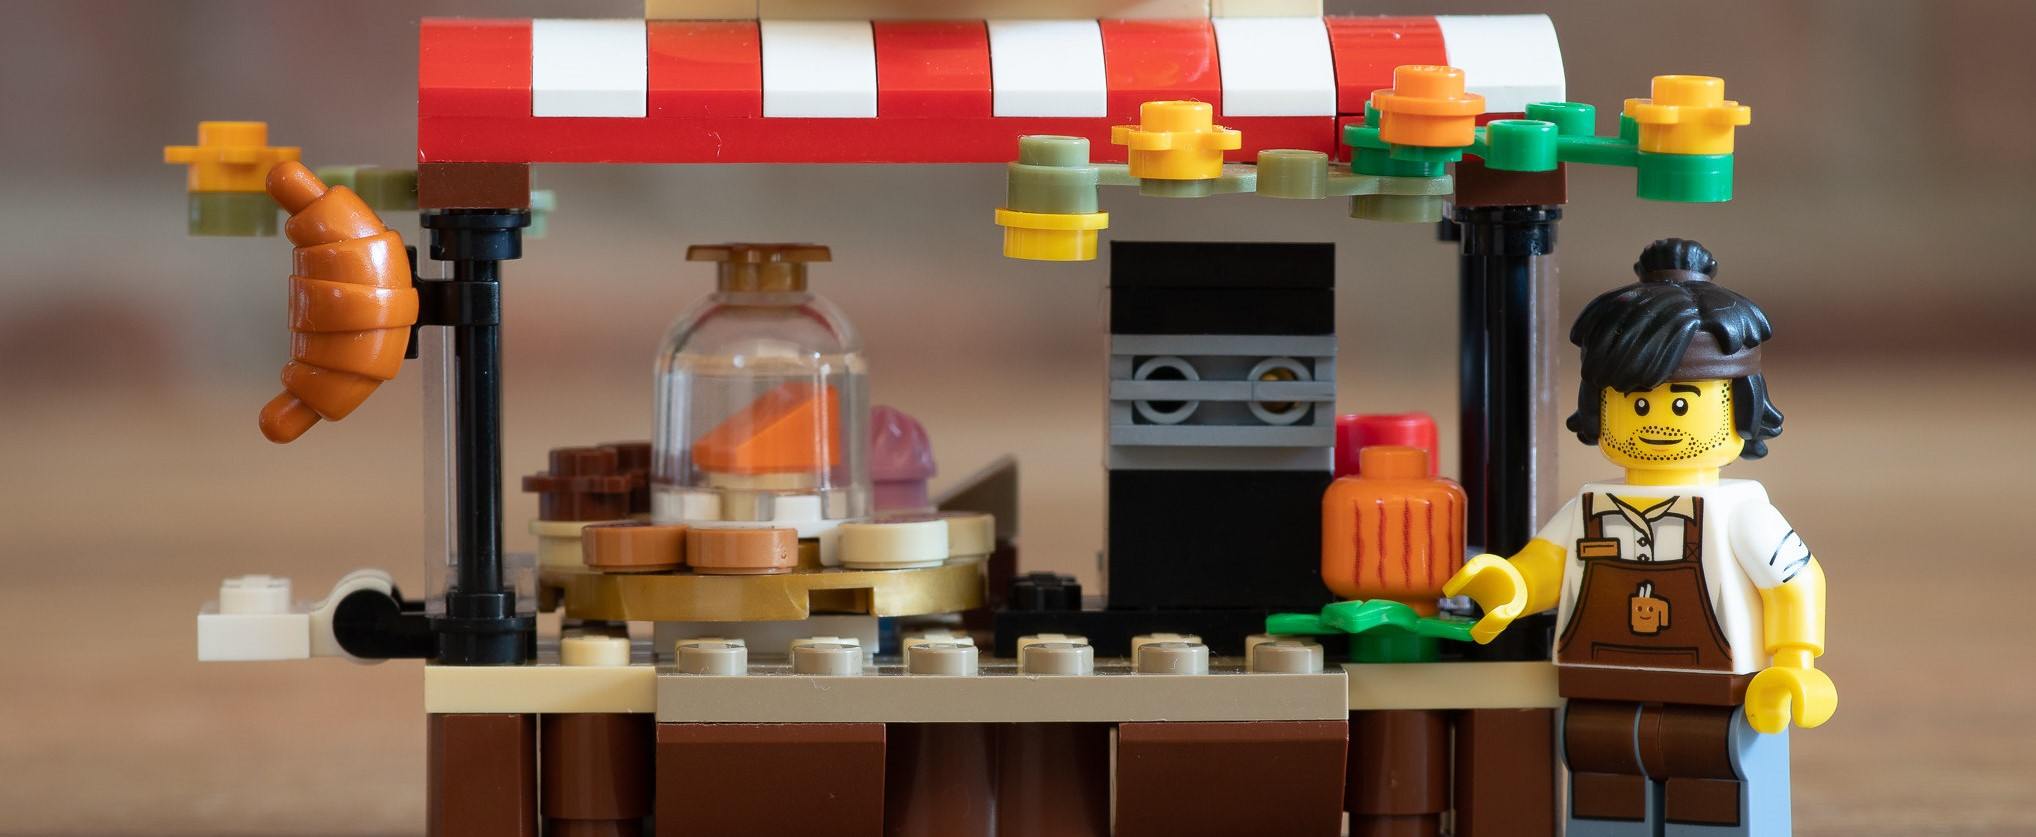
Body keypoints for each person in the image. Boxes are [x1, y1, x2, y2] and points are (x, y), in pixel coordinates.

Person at [1444, 238, 1834, 837]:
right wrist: (1513, 585)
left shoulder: (1739, 512)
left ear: (1741, 409)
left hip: (1715, 692)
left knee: (1714, 791)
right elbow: (1549, 562)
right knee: (1604, 794)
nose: (1656, 421)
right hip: (1600, 686)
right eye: (1636, 402)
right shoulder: (1591, 506)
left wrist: (1795, 661)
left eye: (1682, 403)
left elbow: (1795, 581)